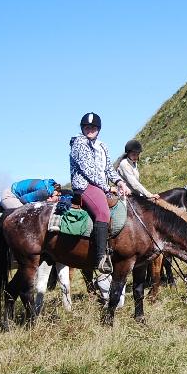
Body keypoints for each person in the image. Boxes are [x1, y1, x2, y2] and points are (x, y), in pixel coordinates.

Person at [70, 112, 128, 273]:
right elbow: (89, 171)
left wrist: (119, 182)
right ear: (82, 129)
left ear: (98, 129)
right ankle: (100, 258)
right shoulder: (79, 144)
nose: (90, 130)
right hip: (85, 185)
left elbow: (109, 168)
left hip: (100, 185)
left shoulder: (102, 146)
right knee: (103, 213)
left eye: (93, 127)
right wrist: (108, 188)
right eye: (87, 127)